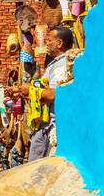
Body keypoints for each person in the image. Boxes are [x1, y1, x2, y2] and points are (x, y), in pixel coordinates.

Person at [26, 26, 75, 161]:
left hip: (53, 128)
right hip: (44, 126)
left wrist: (31, 91)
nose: (46, 43)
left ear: (59, 43)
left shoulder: (64, 65)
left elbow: (54, 95)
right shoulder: (52, 65)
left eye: (49, 40)